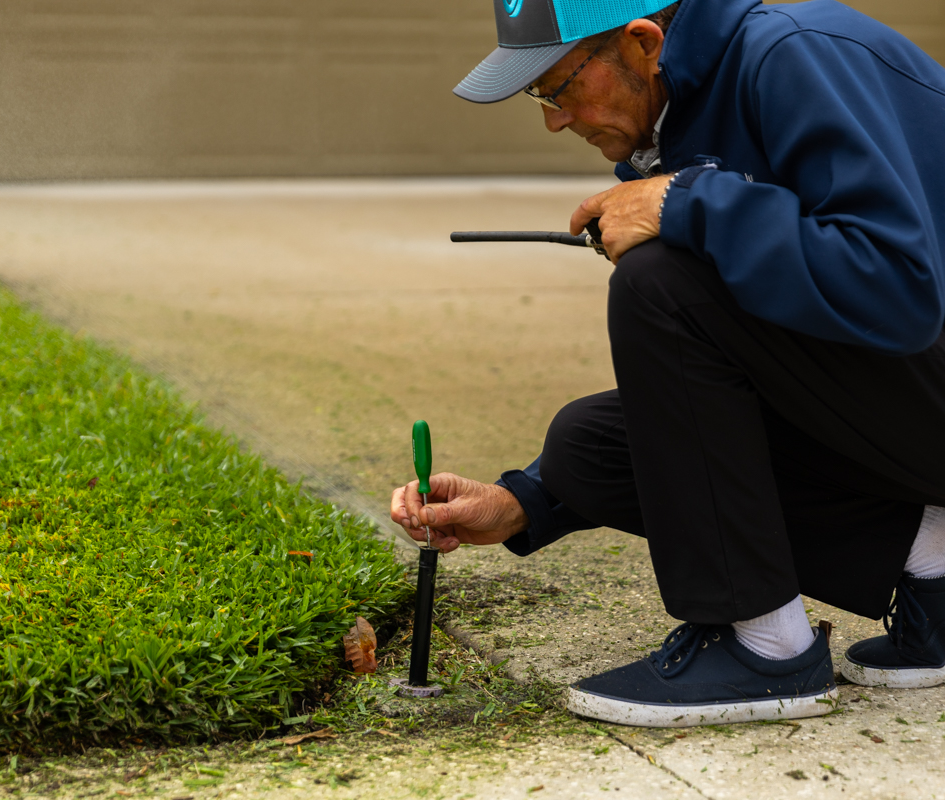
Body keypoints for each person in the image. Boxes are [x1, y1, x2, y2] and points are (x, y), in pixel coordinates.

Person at [391, 0, 945, 727]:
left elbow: (898, 287)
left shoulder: (793, 54)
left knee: (660, 283)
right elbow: (721, 375)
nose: (555, 120)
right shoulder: (678, 112)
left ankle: (764, 648)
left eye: (557, 88)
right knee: (588, 448)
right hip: (917, 399)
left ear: (643, 42)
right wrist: (527, 502)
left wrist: (688, 203)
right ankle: (936, 572)